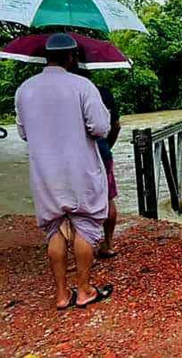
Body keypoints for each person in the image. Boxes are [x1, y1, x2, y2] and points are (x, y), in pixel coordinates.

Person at [14, 33, 114, 309]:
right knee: (85, 225)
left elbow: (23, 133)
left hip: (45, 172)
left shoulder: (24, 89)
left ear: (47, 57)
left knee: (55, 230)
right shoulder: (82, 86)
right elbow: (100, 128)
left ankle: (60, 295)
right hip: (80, 168)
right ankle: (84, 290)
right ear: (71, 57)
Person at [73, 65, 122, 259]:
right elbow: (115, 125)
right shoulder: (104, 93)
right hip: (102, 151)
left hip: (77, 156)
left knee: (78, 203)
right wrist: (107, 146)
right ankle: (108, 244)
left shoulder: (69, 97)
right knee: (108, 197)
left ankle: (83, 250)